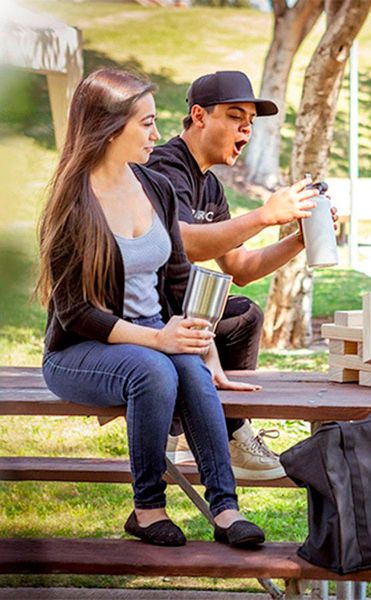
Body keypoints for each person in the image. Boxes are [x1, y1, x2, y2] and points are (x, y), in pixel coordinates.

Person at [36, 68, 266, 548]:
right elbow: (76, 312)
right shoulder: (71, 201)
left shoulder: (153, 187)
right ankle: (147, 509)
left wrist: (207, 350)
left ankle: (225, 511)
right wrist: (158, 339)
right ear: (109, 126)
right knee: (155, 370)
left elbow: (180, 280)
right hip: (82, 348)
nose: (158, 135)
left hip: (151, 336)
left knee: (187, 365)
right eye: (146, 123)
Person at [147, 71, 327, 481]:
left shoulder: (210, 187)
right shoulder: (164, 166)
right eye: (234, 115)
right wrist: (264, 216)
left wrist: (298, 239)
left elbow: (241, 268)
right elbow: (184, 243)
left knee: (243, 315)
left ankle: (233, 432)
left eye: (250, 119)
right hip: (140, 316)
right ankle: (175, 437)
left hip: (176, 308)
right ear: (199, 116)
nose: (246, 126)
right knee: (214, 322)